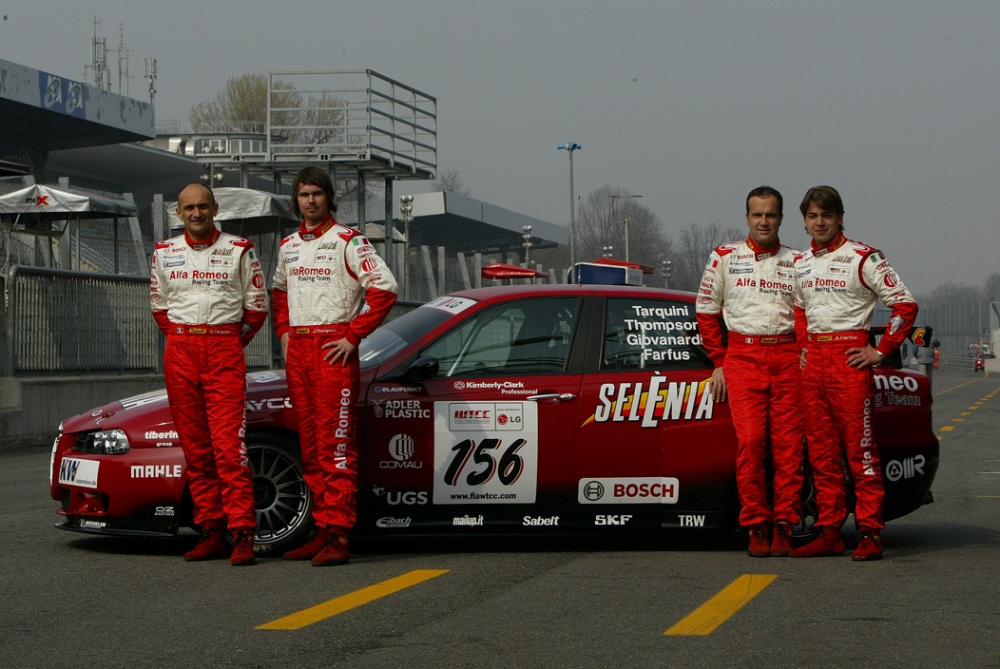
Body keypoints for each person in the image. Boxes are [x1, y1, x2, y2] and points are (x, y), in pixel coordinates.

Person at [272, 166, 398, 566]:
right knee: (310, 448)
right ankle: (322, 530)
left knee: (336, 449)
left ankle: (339, 538)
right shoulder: (288, 244)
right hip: (299, 351)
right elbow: (278, 291)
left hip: (332, 350)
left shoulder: (348, 240)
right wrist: (283, 330)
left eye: (317, 194)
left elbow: (385, 288)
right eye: (304, 194)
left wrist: (353, 335)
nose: (310, 200)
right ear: (296, 200)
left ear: (328, 198)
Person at [791, 185, 918, 561]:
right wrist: (802, 347)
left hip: (850, 359)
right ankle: (829, 531)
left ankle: (871, 533)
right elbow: (799, 310)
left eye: (826, 215)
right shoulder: (800, 263)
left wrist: (880, 352)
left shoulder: (864, 256)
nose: (819, 222)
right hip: (813, 360)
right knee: (821, 454)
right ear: (805, 221)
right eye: (813, 216)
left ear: (840, 217)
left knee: (860, 453)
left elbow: (905, 305)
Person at [150, 183, 269, 566]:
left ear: (215, 209)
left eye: (203, 206)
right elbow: (160, 309)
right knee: (197, 451)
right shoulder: (164, 252)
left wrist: (226, 343)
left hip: (223, 351)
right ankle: (211, 531)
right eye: (189, 208)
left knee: (229, 450)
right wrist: (188, 339)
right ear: (178, 213)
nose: (197, 213)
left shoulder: (239, 249)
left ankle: (244, 532)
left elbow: (257, 309)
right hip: (181, 351)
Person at [696, 186, 804, 558]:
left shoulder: (798, 260)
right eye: (757, 214)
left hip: (789, 356)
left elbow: (809, 314)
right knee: (752, 444)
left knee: (789, 448)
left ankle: (785, 523)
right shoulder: (724, 256)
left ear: (781, 218)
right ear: (746, 217)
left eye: (770, 215)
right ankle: (756, 525)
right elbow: (707, 313)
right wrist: (719, 362)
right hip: (742, 358)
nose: (763, 221)